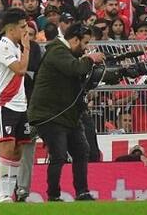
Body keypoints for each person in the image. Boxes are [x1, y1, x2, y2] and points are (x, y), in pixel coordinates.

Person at [28, 23, 105, 202]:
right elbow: (75, 68)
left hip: (68, 114)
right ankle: (53, 195)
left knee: (81, 151)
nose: (86, 48)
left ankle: (82, 192)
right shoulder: (57, 51)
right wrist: (90, 59)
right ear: (74, 39)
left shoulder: (67, 53)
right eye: (84, 43)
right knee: (59, 154)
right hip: (49, 115)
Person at [0, 9, 31, 203]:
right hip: (4, 104)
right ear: (12, 29)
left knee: (17, 151)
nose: (26, 30)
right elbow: (21, 70)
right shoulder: (2, 46)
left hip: (20, 105)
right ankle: (2, 194)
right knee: (6, 149)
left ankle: (9, 193)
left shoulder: (16, 47)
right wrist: (27, 48)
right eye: (22, 27)